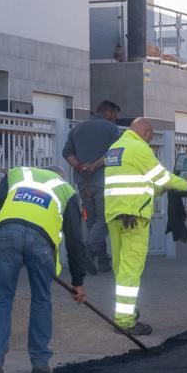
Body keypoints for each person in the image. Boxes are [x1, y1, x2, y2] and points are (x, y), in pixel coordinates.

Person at [0, 166, 86, 373]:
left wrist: (5, 235)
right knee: (41, 299)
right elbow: (75, 240)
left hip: (6, 234)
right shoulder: (66, 190)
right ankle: (39, 364)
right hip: (41, 243)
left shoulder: (17, 174)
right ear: (60, 176)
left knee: (2, 298)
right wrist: (78, 282)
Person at [104, 118, 187, 335]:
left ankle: (127, 311)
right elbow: (161, 177)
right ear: (144, 131)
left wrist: (157, 190)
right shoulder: (138, 148)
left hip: (115, 213)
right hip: (134, 216)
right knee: (131, 269)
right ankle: (124, 322)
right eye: (151, 135)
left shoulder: (115, 149)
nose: (151, 140)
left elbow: (133, 182)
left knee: (120, 266)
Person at [63, 100, 122, 274]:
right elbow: (115, 153)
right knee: (105, 219)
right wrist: (94, 166)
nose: (115, 120)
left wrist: (80, 166)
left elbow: (67, 153)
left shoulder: (77, 129)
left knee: (91, 221)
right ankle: (87, 251)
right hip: (104, 182)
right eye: (115, 116)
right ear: (109, 113)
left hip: (83, 183)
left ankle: (103, 261)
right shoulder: (112, 129)